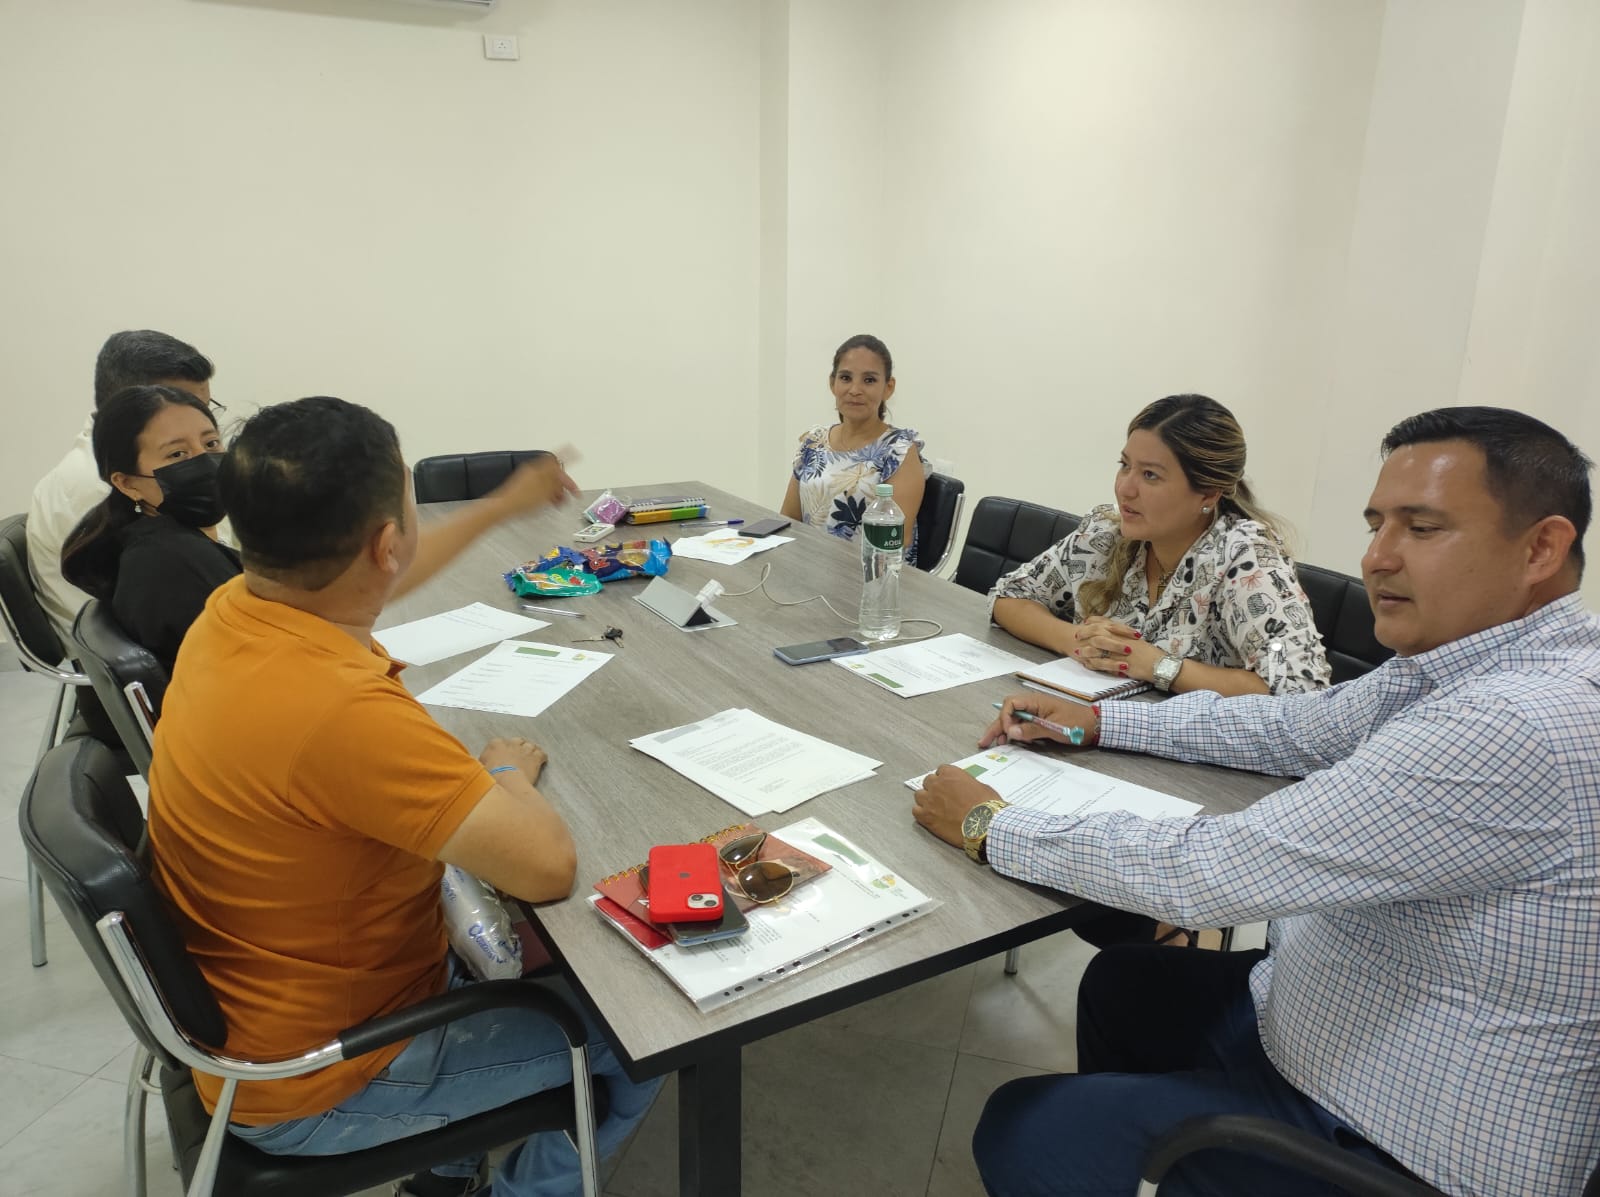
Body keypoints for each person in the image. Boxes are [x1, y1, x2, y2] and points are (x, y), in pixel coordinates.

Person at [911, 406, 1600, 1196]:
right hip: (1327, 1011)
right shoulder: (1454, 667)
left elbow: (1209, 871)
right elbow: (1289, 726)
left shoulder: (1514, 724)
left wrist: (990, 823)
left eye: (1421, 527)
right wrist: (1100, 722)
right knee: (1123, 986)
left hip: (1394, 1137)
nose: (1377, 557)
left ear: (1541, 548)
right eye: (1376, 524)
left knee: (1024, 1128)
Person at [147, 396, 658, 1197]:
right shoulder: (337, 711)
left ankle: (444, 1176)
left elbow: (375, 577)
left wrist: (500, 504)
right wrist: (504, 773)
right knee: (640, 1034)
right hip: (325, 1076)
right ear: (386, 543)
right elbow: (547, 866)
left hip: (273, 1006)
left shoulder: (235, 610)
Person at [990, 394, 1330, 697]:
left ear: (1208, 493)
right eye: (1125, 466)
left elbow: (1301, 692)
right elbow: (1010, 596)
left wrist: (1159, 666)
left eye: (1150, 475)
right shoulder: (1106, 532)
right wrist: (1078, 641)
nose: (1125, 488)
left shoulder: (1245, 558)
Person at [28, 329, 218, 640]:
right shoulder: (97, 485)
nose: (199, 421)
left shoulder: (131, 463)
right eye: (178, 408)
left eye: (205, 410)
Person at [59, 386, 238, 677]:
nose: (204, 462)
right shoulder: (173, 564)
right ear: (127, 483)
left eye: (211, 443)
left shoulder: (155, 542)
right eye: (177, 454)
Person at [781, 333, 932, 563]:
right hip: (807, 569)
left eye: (869, 380)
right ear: (832, 383)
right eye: (845, 378)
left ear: (888, 387)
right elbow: (789, 519)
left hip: (868, 577)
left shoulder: (898, 451)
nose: (855, 389)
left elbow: (895, 543)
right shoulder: (814, 441)